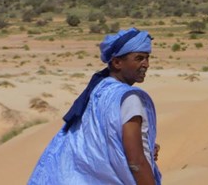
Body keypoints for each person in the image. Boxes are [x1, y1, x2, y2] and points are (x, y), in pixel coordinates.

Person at [28, 28, 161, 185]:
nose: (146, 64)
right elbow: (136, 162)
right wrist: (141, 155)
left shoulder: (99, 90)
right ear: (117, 62)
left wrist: (146, 147)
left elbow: (102, 141)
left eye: (147, 58)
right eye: (139, 58)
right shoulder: (128, 98)